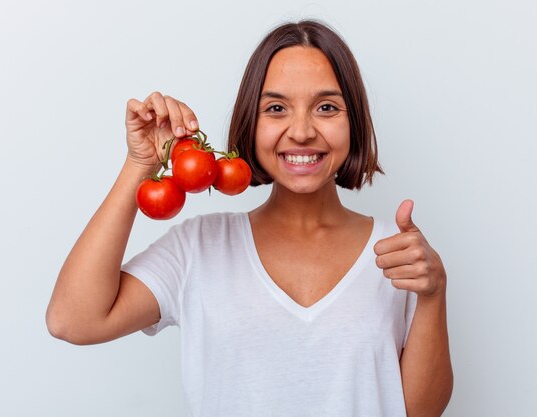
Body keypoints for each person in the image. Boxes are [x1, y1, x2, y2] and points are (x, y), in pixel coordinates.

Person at [46, 20, 453, 417]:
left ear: (354, 122)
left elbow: (419, 411)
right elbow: (72, 321)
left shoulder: (396, 255)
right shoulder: (198, 247)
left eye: (326, 107)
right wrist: (140, 164)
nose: (302, 131)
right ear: (250, 121)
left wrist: (433, 293)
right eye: (276, 108)